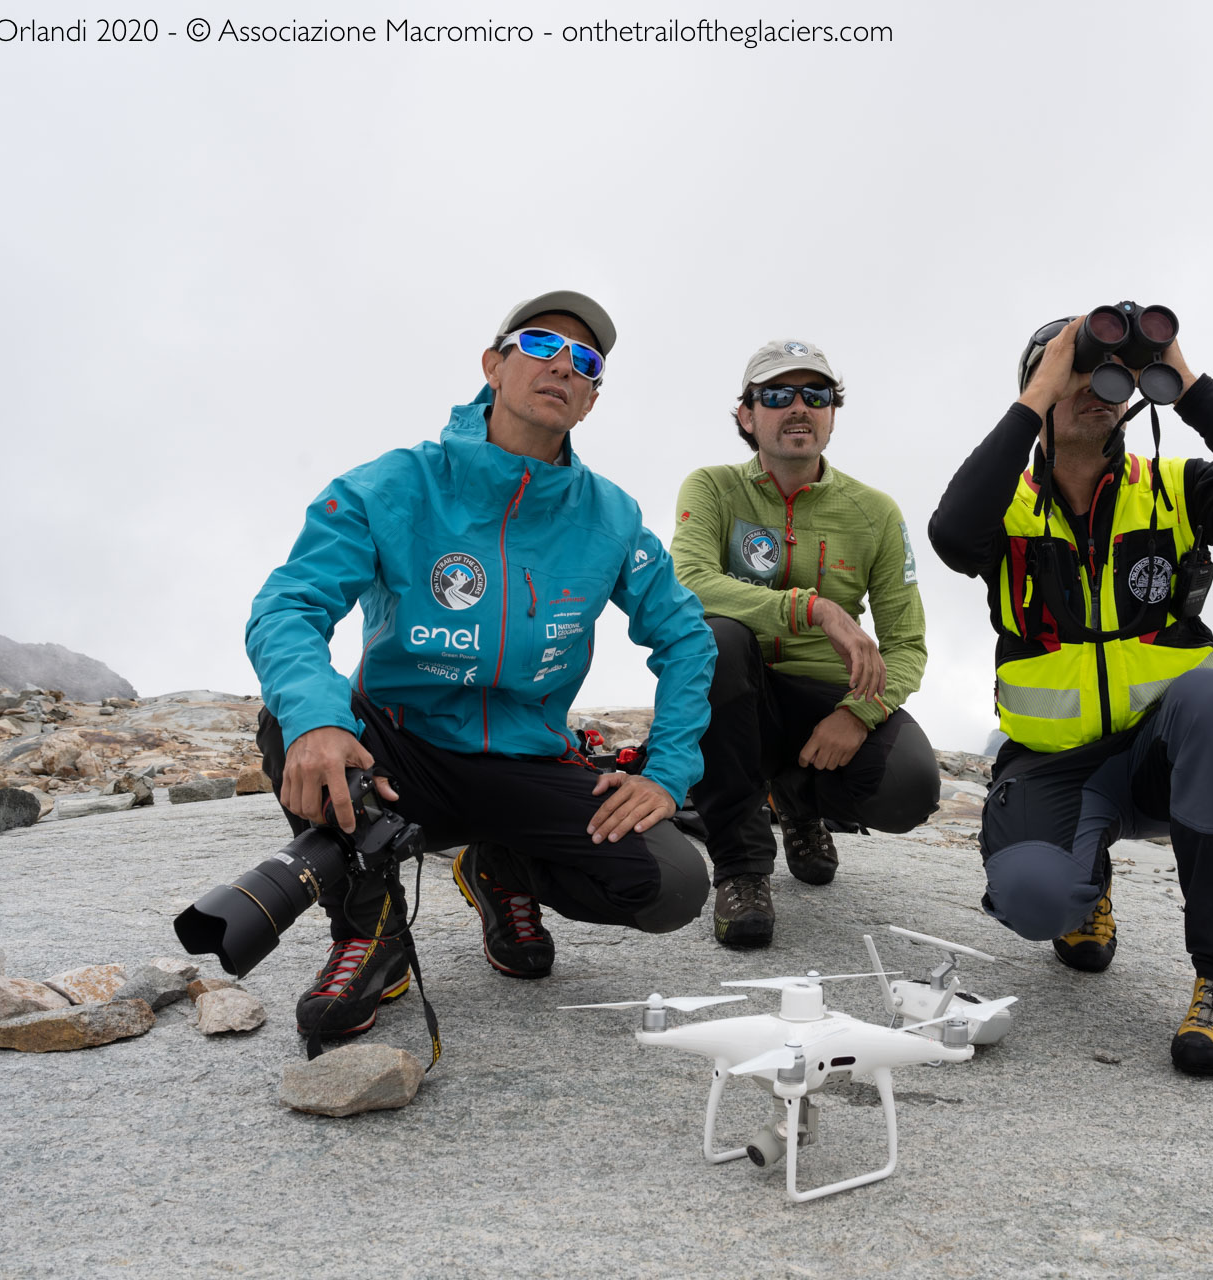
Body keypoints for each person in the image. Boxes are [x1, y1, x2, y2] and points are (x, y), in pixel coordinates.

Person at [246, 289, 716, 1045]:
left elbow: (687, 637)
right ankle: (373, 934)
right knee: (293, 721)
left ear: (592, 400)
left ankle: (501, 870)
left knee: (669, 885)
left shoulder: (611, 517)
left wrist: (667, 772)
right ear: (493, 366)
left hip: (524, 761)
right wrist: (317, 719)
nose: (563, 365)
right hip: (403, 748)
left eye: (585, 363)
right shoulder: (392, 485)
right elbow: (288, 606)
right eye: (539, 347)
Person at [927, 314, 1213, 1074]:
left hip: (1165, 757)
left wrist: (1191, 387)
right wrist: (1042, 391)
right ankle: (1085, 890)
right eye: (1074, 372)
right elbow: (951, 535)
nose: (1093, 388)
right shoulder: (1004, 507)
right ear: (1038, 391)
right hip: (1055, 764)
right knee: (1035, 898)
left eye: (1107, 374)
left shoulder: (1174, 490)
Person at [671, 339, 938, 948]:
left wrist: (859, 712)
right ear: (747, 415)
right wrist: (812, 608)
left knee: (910, 793)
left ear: (832, 413)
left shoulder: (874, 511)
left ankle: (797, 799)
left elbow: (907, 644)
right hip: (742, 694)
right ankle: (741, 871)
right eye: (777, 395)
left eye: (815, 395)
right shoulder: (712, 488)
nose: (799, 408)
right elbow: (688, 585)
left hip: (828, 700)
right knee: (714, 639)